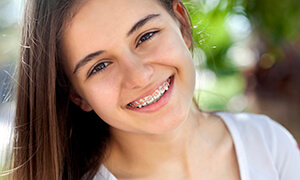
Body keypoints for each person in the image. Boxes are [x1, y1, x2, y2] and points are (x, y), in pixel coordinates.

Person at [6, 0, 300, 179]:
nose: (139, 76)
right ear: (77, 94)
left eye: (146, 36)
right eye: (99, 66)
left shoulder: (269, 144)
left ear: (182, 24)